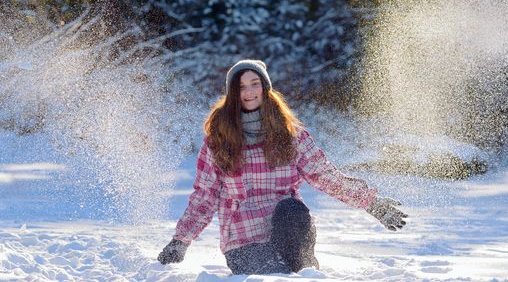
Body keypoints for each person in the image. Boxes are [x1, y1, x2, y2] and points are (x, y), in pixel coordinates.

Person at [158, 59, 407, 275]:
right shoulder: (218, 141)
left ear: (265, 88)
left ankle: (305, 268)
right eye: (241, 86)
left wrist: (370, 202)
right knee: (274, 275)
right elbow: (205, 196)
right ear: (233, 93)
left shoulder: (291, 136)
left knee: (291, 212)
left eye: (255, 83)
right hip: (244, 242)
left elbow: (324, 175)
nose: (249, 91)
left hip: (290, 232)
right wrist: (181, 241)